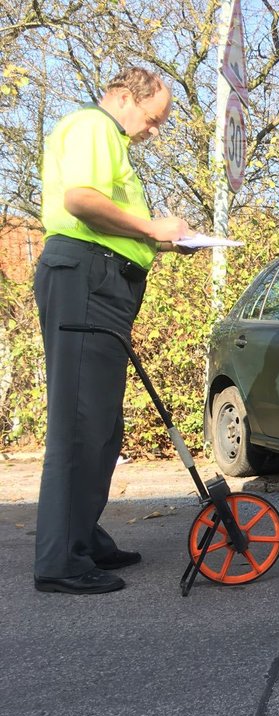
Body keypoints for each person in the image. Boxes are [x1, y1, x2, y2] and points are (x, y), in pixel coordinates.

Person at [33, 67, 192, 594]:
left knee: (100, 422)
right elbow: (81, 201)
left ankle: (83, 534)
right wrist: (151, 227)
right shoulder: (94, 126)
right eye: (152, 119)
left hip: (104, 283)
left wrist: (163, 242)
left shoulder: (113, 142)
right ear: (124, 97)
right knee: (80, 420)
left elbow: (110, 220)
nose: (153, 131)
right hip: (85, 277)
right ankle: (61, 560)